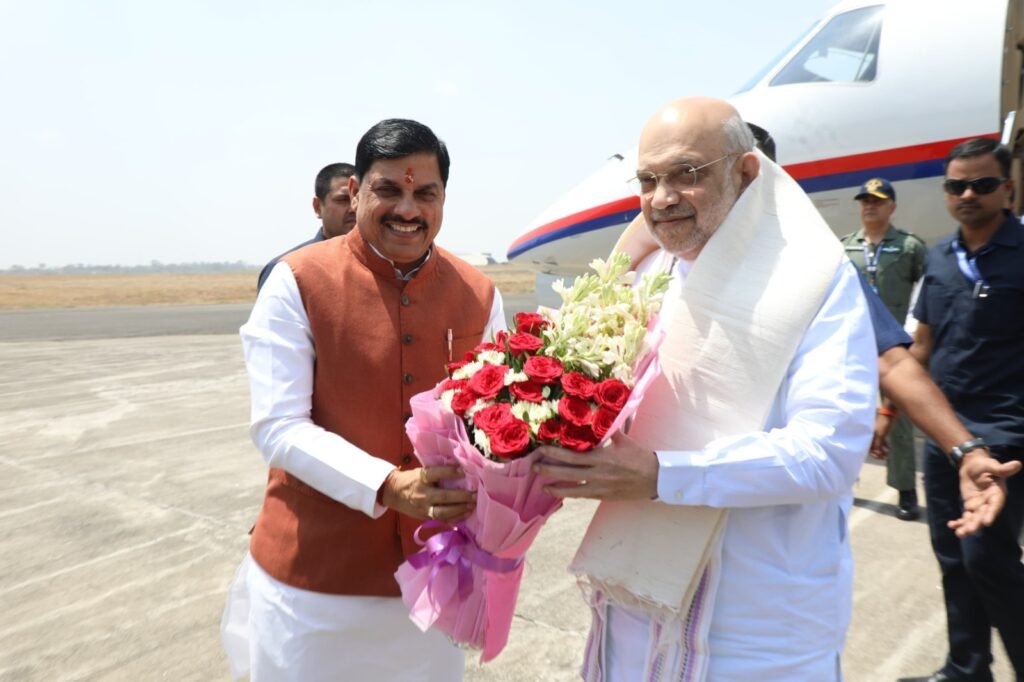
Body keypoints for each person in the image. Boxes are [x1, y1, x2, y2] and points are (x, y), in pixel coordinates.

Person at [536, 97, 878, 680]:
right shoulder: (643, 274)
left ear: (746, 172)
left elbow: (829, 453)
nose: (661, 198)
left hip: (754, 636)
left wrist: (664, 476)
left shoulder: (815, 282)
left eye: (686, 174)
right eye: (648, 180)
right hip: (630, 622)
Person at [220, 119, 507, 681]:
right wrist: (387, 486)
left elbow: (494, 423)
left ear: (443, 198)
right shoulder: (297, 280)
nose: (408, 210)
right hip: (313, 586)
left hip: (434, 577)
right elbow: (278, 427)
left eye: (425, 194)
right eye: (388, 190)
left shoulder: (478, 292)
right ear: (355, 193)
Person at [897, 137, 1024, 682]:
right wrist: (889, 413)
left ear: (1008, 189)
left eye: (982, 184)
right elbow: (922, 345)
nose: (968, 194)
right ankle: (967, 668)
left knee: (987, 558)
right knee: (950, 552)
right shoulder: (940, 257)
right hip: (944, 433)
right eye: (956, 185)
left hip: (1005, 433)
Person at [840, 177, 927, 520]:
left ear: (892, 206)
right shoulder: (844, 247)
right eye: (865, 200)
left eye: (877, 200)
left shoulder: (910, 247)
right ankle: (843, 484)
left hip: (894, 348)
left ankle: (905, 489)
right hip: (854, 346)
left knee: (899, 421)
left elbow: (925, 294)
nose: (869, 205)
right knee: (849, 417)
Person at [256, 162, 358, 291]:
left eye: (359, 199)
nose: (353, 208)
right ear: (317, 207)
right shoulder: (287, 270)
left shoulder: (381, 263)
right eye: (342, 200)